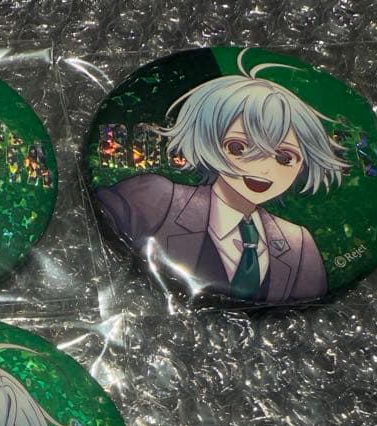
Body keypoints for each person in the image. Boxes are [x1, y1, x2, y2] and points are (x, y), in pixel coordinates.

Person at [94, 48, 348, 303]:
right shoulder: (155, 200)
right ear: (208, 141)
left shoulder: (299, 244)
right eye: (239, 147)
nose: (263, 168)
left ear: (303, 163)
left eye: (284, 157)